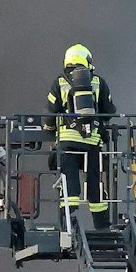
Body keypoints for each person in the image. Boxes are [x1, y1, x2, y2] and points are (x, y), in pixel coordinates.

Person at [47, 43, 115, 230]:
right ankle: (102, 225)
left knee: (68, 180)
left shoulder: (59, 82)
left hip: (67, 143)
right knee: (95, 182)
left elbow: (50, 114)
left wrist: (48, 129)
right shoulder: (98, 82)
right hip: (92, 143)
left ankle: (67, 222)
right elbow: (109, 112)